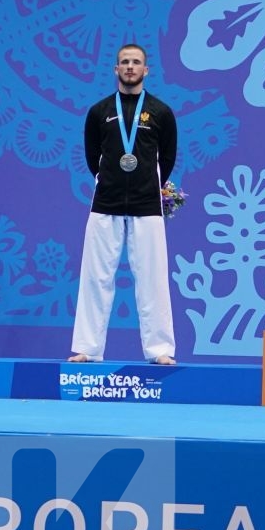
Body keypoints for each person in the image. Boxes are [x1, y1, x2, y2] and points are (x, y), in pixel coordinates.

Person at [70, 43, 179, 364]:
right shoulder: (99, 112)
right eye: (125, 62)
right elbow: (93, 157)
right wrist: (112, 181)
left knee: (153, 280)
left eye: (136, 62)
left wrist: (146, 184)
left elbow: (167, 158)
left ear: (146, 69)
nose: (130, 67)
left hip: (147, 206)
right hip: (106, 203)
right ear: (116, 69)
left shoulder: (161, 112)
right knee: (95, 278)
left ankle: (160, 350)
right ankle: (88, 349)